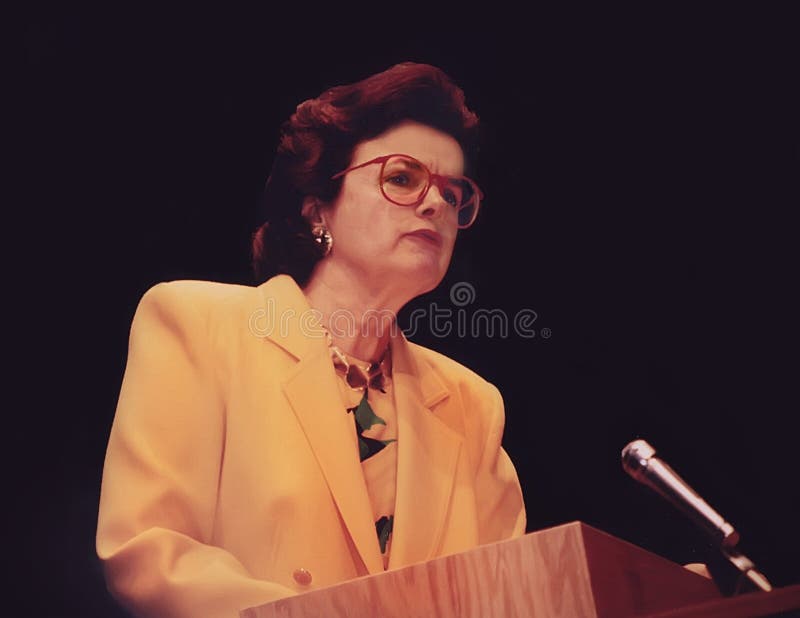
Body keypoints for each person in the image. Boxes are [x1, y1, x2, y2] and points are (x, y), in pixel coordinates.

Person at [96, 62, 527, 618]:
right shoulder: (195, 323)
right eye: (403, 178)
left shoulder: (473, 404)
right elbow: (152, 555)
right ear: (317, 206)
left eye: (453, 192)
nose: (434, 204)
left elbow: (516, 593)